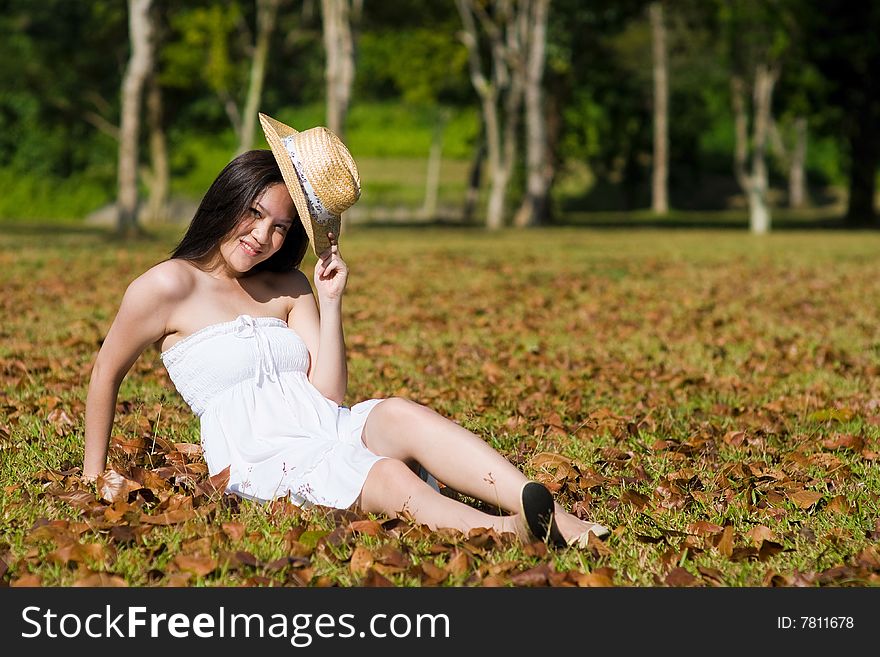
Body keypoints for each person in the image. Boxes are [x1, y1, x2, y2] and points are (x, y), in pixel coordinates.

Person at [82, 113, 608, 549]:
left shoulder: (287, 284)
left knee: (399, 412)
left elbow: (329, 394)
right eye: (255, 213)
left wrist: (329, 303)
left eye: (281, 227)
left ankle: (556, 518)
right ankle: (506, 532)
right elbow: (106, 373)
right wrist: (94, 474)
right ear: (228, 199)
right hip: (261, 453)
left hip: (324, 424)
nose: (262, 237)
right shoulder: (166, 286)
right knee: (385, 476)